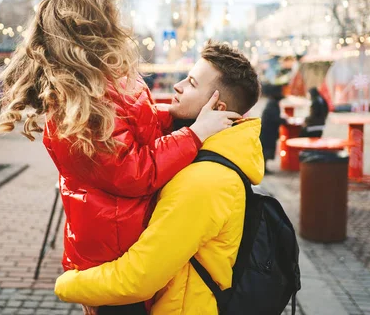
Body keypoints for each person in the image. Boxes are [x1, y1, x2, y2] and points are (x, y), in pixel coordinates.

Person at [0, 0, 239, 314]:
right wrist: (193, 135)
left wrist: (180, 117)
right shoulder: (78, 107)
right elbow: (135, 172)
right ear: (95, 27)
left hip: (122, 246)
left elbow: (139, 122)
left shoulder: (101, 85)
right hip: (112, 259)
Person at [54, 41, 264, 314]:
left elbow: (139, 277)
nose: (178, 87)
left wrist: (69, 284)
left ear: (217, 107)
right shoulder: (201, 155)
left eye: (191, 83)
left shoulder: (205, 181)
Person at [259, 87, 287, 174]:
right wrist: (283, 120)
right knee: (265, 151)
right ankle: (263, 169)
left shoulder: (272, 103)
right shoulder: (272, 105)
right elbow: (274, 118)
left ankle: (264, 168)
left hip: (269, 131)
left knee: (266, 151)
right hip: (268, 132)